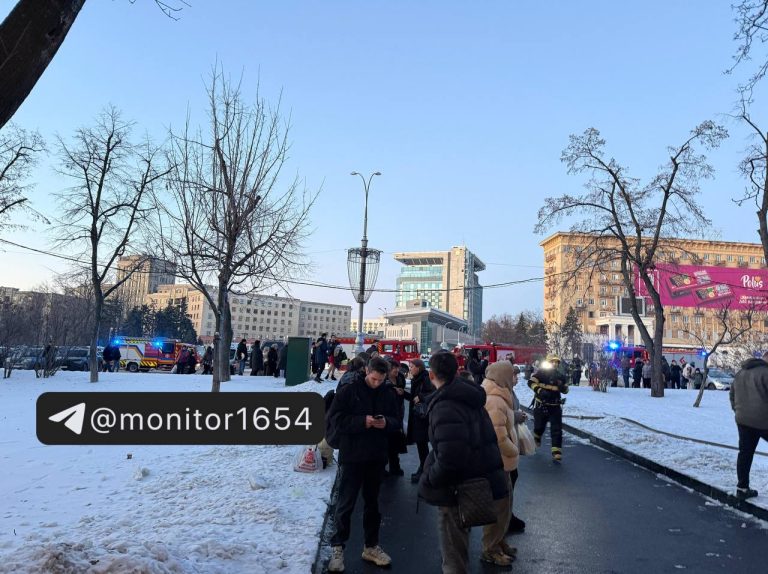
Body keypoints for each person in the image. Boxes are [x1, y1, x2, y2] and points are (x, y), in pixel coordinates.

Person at [418, 351, 508, 573]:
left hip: (456, 488)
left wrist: (429, 478)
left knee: (454, 554)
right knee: (460, 543)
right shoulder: (470, 397)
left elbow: (451, 457)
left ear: (431, 375)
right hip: (476, 480)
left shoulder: (445, 406)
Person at [326, 357, 400, 572]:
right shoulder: (349, 390)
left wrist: (386, 423)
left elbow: (396, 420)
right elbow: (336, 420)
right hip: (352, 456)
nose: (377, 383)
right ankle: (338, 548)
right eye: (374, 379)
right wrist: (362, 421)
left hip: (376, 456)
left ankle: (371, 546)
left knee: (372, 504)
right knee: (345, 504)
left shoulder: (388, 393)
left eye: (381, 379)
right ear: (367, 371)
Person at [481, 361, 519, 566]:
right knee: (499, 507)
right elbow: (498, 437)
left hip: (502, 461)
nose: (516, 378)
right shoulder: (495, 399)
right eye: (512, 374)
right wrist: (514, 450)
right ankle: (491, 549)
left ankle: (499, 541)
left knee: (505, 507)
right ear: (503, 376)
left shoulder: (500, 395)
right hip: (498, 462)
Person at [730, 352, 768, 500]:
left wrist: (738, 410)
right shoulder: (766, 373)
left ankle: (742, 488)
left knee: (745, 453)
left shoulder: (740, 373)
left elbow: (732, 396)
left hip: (743, 420)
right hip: (764, 421)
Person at [528, 356, 569, 462]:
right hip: (542, 405)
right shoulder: (541, 374)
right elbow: (531, 383)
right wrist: (539, 390)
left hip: (555, 406)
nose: (555, 364)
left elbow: (566, 390)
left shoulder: (560, 376)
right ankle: (537, 436)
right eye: (552, 362)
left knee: (557, 429)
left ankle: (556, 451)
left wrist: (563, 388)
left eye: (557, 362)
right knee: (539, 426)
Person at [404, 358, 435, 483]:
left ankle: (424, 469)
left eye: (412, 367)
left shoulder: (425, 379)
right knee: (421, 445)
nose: (410, 369)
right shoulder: (418, 379)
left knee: (422, 445)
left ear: (418, 367)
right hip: (419, 417)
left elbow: (431, 393)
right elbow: (414, 399)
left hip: (422, 418)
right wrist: (403, 394)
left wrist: (421, 397)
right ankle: (424, 468)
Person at [384, 359, 407, 476]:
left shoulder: (400, 378)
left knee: (395, 441)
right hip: (386, 414)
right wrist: (393, 389)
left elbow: (403, 393)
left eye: (397, 367)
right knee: (385, 442)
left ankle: (395, 467)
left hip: (398, 413)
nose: (397, 370)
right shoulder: (384, 380)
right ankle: (383, 468)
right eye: (394, 368)